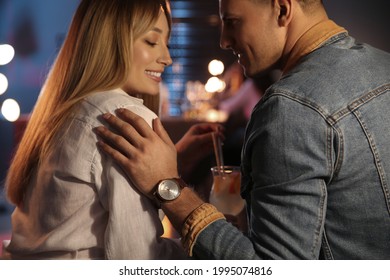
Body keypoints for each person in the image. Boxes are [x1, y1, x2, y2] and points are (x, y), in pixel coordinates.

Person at [96, 0, 390, 259]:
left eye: (232, 22)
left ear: (283, 9)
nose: (224, 40)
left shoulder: (292, 108)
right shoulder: (383, 66)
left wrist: (167, 186)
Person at [2, 0, 222, 260]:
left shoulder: (65, 109)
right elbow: (136, 260)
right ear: (110, 42)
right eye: (152, 42)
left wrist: (173, 162)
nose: (167, 58)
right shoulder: (125, 117)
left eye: (167, 43)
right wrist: (214, 252)